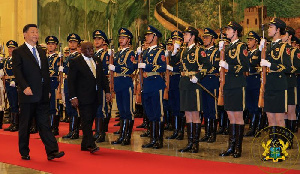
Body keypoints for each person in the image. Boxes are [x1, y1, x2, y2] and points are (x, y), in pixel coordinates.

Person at [12, 24, 64, 160]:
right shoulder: (19, 51)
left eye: (37, 32)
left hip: (42, 94)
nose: (36, 34)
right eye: (33, 32)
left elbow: (45, 72)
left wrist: (47, 90)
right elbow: (17, 72)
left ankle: (52, 151)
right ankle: (24, 151)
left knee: (44, 123)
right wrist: (24, 87)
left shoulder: (41, 51)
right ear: (25, 34)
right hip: (28, 94)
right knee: (25, 124)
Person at [68, 41, 110, 153]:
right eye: (88, 49)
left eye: (92, 49)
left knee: (90, 119)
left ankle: (84, 144)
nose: (91, 51)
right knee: (86, 120)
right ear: (82, 50)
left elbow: (102, 77)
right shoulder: (75, 61)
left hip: (95, 95)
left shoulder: (97, 60)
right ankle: (91, 143)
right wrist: (73, 97)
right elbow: (71, 81)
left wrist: (108, 91)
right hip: (82, 96)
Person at [177, 26, 211, 153]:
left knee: (195, 114)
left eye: (186, 34)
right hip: (185, 83)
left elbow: (207, 65)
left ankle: (195, 144)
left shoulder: (199, 50)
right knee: (187, 114)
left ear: (192, 36)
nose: (184, 36)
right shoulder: (183, 51)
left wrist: (198, 76)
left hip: (194, 84)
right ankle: (189, 142)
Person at [219, 21, 249, 158]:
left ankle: (238, 148)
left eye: (229, 29)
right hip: (229, 84)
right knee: (230, 116)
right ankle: (231, 146)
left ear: (236, 32)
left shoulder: (242, 46)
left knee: (238, 116)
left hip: (237, 83)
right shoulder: (228, 46)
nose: (227, 31)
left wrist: (228, 67)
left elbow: (245, 67)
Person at [139, 25, 166, 149]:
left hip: (156, 82)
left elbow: (163, 67)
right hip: (147, 83)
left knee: (158, 112)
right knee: (149, 112)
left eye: (149, 35)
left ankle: (158, 140)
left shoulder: (160, 52)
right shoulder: (145, 52)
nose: (146, 37)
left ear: (155, 37)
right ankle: (152, 138)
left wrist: (147, 66)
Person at [109, 28, 137, 145]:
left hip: (126, 81)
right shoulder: (118, 53)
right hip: (118, 82)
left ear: (129, 40)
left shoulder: (131, 53)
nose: (121, 40)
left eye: (123, 38)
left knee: (128, 110)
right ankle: (121, 135)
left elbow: (131, 68)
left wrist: (116, 68)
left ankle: (127, 137)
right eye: (120, 38)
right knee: (121, 110)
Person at [199, 28, 220, 143]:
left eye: (207, 37)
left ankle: (212, 134)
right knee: (205, 109)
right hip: (203, 81)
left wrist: (205, 69)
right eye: (204, 37)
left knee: (213, 109)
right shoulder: (202, 52)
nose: (205, 39)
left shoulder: (216, 52)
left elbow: (216, 67)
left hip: (212, 81)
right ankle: (207, 133)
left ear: (213, 39)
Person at [60, 33, 81, 139]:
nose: (72, 44)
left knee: (74, 106)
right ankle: (71, 130)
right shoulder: (69, 57)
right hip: (68, 81)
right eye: (70, 42)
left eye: (74, 42)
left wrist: (64, 69)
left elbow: (74, 70)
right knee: (68, 107)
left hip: (75, 82)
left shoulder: (78, 56)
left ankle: (75, 131)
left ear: (78, 44)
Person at [165, 31, 185, 140]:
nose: (174, 42)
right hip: (172, 80)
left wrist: (173, 68)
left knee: (179, 105)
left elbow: (183, 67)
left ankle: (181, 131)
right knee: (173, 105)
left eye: (177, 40)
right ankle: (175, 130)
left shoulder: (183, 52)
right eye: (173, 40)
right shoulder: (171, 53)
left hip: (179, 79)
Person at [93, 29, 111, 142]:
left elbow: (105, 71)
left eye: (99, 39)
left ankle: (102, 133)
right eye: (95, 39)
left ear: (103, 41)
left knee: (102, 109)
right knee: (96, 109)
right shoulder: (94, 55)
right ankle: (98, 131)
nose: (96, 41)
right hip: (94, 85)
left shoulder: (105, 55)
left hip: (102, 84)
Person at [244, 31, 261, 137]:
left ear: (256, 42)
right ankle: (252, 127)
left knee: (256, 105)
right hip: (247, 80)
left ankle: (257, 128)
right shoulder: (248, 53)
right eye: (248, 40)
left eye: (251, 40)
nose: (249, 42)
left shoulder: (258, 52)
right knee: (250, 105)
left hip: (255, 80)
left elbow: (254, 64)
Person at [2, 40, 19, 132]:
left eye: (12, 48)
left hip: (14, 83)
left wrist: (15, 81)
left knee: (15, 103)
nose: (10, 49)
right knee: (11, 103)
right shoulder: (6, 60)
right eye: (9, 48)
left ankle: (16, 124)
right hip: (8, 84)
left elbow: (20, 72)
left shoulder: (17, 59)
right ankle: (12, 123)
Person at [45, 36, 61, 135]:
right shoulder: (44, 57)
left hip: (54, 82)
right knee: (46, 105)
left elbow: (57, 71)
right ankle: (48, 125)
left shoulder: (58, 57)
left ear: (55, 46)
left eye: (52, 44)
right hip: (46, 83)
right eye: (49, 44)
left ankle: (54, 127)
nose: (50, 46)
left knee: (54, 105)